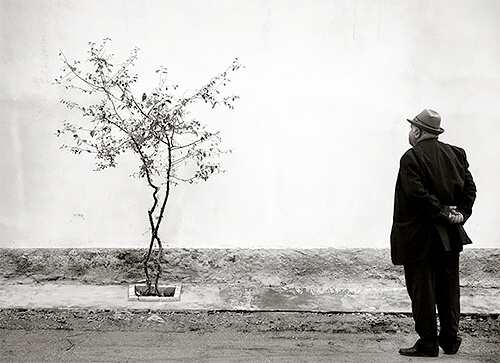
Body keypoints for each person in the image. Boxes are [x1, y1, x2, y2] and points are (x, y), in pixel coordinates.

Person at [390, 109, 477, 357]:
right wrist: (460, 213)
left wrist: (442, 214)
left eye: (411, 129)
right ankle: (450, 341)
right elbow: (470, 188)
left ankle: (428, 343)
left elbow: (417, 194)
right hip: (450, 235)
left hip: (419, 237)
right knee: (449, 290)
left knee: (423, 291)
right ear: (436, 132)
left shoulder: (411, 157)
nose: (410, 133)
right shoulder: (456, 154)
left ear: (417, 131)